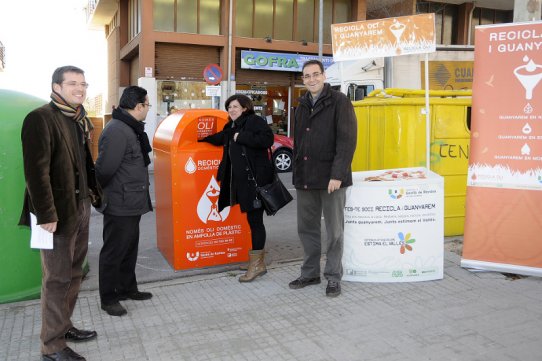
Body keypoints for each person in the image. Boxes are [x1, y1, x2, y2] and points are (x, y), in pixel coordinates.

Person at [19, 65, 103, 361]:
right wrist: (46, 215)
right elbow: (36, 173)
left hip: (79, 209)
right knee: (56, 279)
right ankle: (51, 346)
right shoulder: (40, 118)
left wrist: (93, 196)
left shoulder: (78, 120)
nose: (80, 89)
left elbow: (84, 165)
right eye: (72, 83)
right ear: (56, 87)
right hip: (54, 214)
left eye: (83, 84)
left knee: (73, 274)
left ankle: (63, 326)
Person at [289, 59, 357, 297]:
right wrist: (297, 172)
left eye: (315, 74)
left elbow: (347, 141)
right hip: (306, 178)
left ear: (324, 76)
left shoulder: (339, 101)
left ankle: (333, 276)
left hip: (331, 180)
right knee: (306, 228)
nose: (311, 79)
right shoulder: (301, 104)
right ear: (303, 79)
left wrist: (337, 175)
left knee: (334, 230)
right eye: (306, 76)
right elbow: (298, 143)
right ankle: (310, 273)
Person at [200, 94, 274, 282]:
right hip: (241, 183)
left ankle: (257, 265)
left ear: (245, 108)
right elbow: (220, 138)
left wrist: (242, 137)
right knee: (252, 220)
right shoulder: (231, 126)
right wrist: (199, 138)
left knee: (255, 221)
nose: (231, 110)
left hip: (255, 182)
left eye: (235, 106)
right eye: (229, 107)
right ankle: (257, 261)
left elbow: (268, 139)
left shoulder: (253, 121)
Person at [95, 86, 153, 317]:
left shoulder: (131, 127)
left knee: (129, 248)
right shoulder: (118, 130)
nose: (148, 109)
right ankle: (109, 298)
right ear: (138, 107)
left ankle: (127, 288)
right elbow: (104, 169)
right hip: (120, 201)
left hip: (132, 199)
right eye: (147, 105)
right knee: (114, 251)